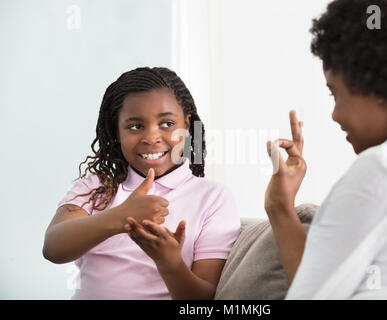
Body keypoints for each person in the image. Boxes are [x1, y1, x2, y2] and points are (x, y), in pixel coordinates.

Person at [265, 0, 387, 299]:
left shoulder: (385, 170)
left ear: (375, 86)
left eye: (335, 93)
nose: (335, 116)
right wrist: (280, 206)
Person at [43, 67, 241, 300]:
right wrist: (120, 217)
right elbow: (53, 248)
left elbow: (203, 300)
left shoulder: (212, 197)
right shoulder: (96, 187)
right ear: (116, 131)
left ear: (187, 126)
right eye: (135, 126)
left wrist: (170, 264)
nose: (151, 138)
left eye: (167, 124)